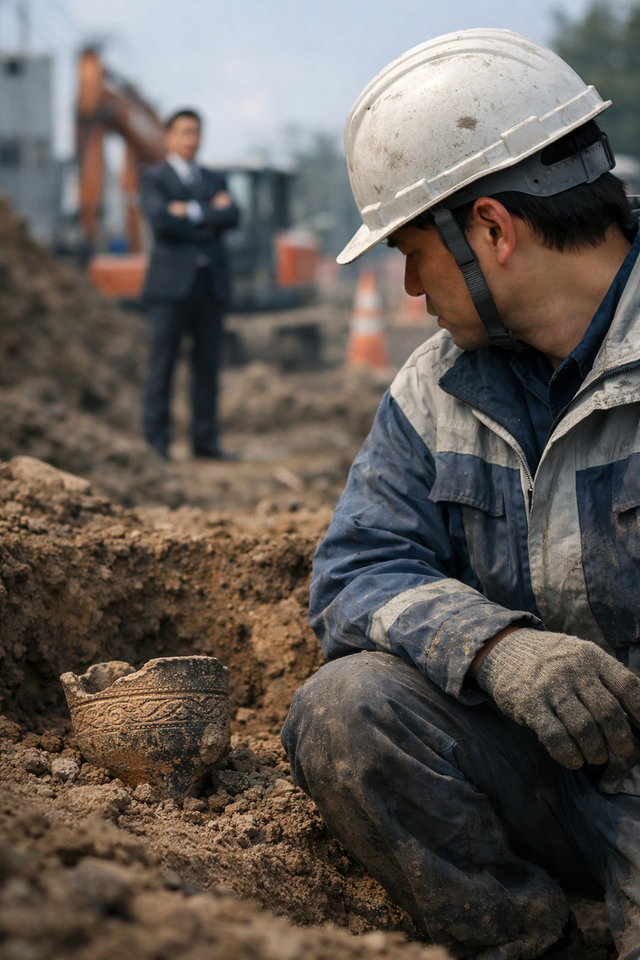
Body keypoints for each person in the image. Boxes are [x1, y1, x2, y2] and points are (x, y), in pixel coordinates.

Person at [281, 29, 640, 960]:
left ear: (491, 228)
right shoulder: (436, 391)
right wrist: (499, 650)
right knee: (347, 708)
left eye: (412, 251)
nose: (406, 288)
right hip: (542, 773)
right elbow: (357, 571)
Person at [140, 108, 240, 460]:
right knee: (162, 365)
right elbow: (161, 222)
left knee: (207, 367)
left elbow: (233, 215)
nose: (191, 139)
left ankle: (205, 442)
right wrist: (209, 215)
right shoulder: (154, 179)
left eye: (196, 132)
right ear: (168, 136)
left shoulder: (216, 177)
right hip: (169, 289)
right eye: (183, 132)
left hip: (209, 287)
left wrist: (190, 211)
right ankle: (156, 443)